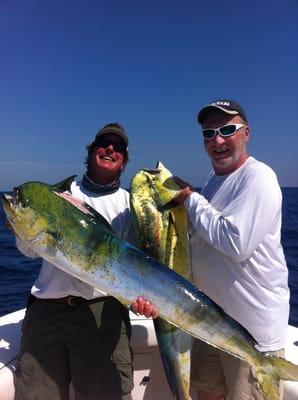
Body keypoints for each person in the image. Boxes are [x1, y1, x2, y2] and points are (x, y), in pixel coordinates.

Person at [12, 122, 153, 400]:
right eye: (104, 143)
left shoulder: (128, 205)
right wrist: (21, 228)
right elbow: (29, 252)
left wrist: (143, 299)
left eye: (119, 147)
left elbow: (136, 267)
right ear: (90, 151)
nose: (110, 149)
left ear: (124, 161)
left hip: (102, 313)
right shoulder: (61, 194)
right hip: (46, 312)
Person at [172, 99, 290, 400]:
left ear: (246, 133)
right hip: (210, 327)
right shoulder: (212, 182)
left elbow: (236, 243)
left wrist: (191, 199)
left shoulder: (259, 177)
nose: (218, 140)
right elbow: (201, 238)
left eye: (227, 129)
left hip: (250, 337)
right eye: (209, 133)